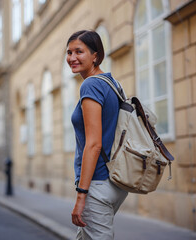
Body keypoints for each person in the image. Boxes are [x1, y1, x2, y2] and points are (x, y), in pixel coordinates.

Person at [66, 30, 128, 240]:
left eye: (79, 52)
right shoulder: (112, 83)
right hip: (115, 181)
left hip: (97, 183)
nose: (72, 58)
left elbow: (94, 144)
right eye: (69, 52)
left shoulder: (91, 85)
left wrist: (81, 195)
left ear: (95, 55)